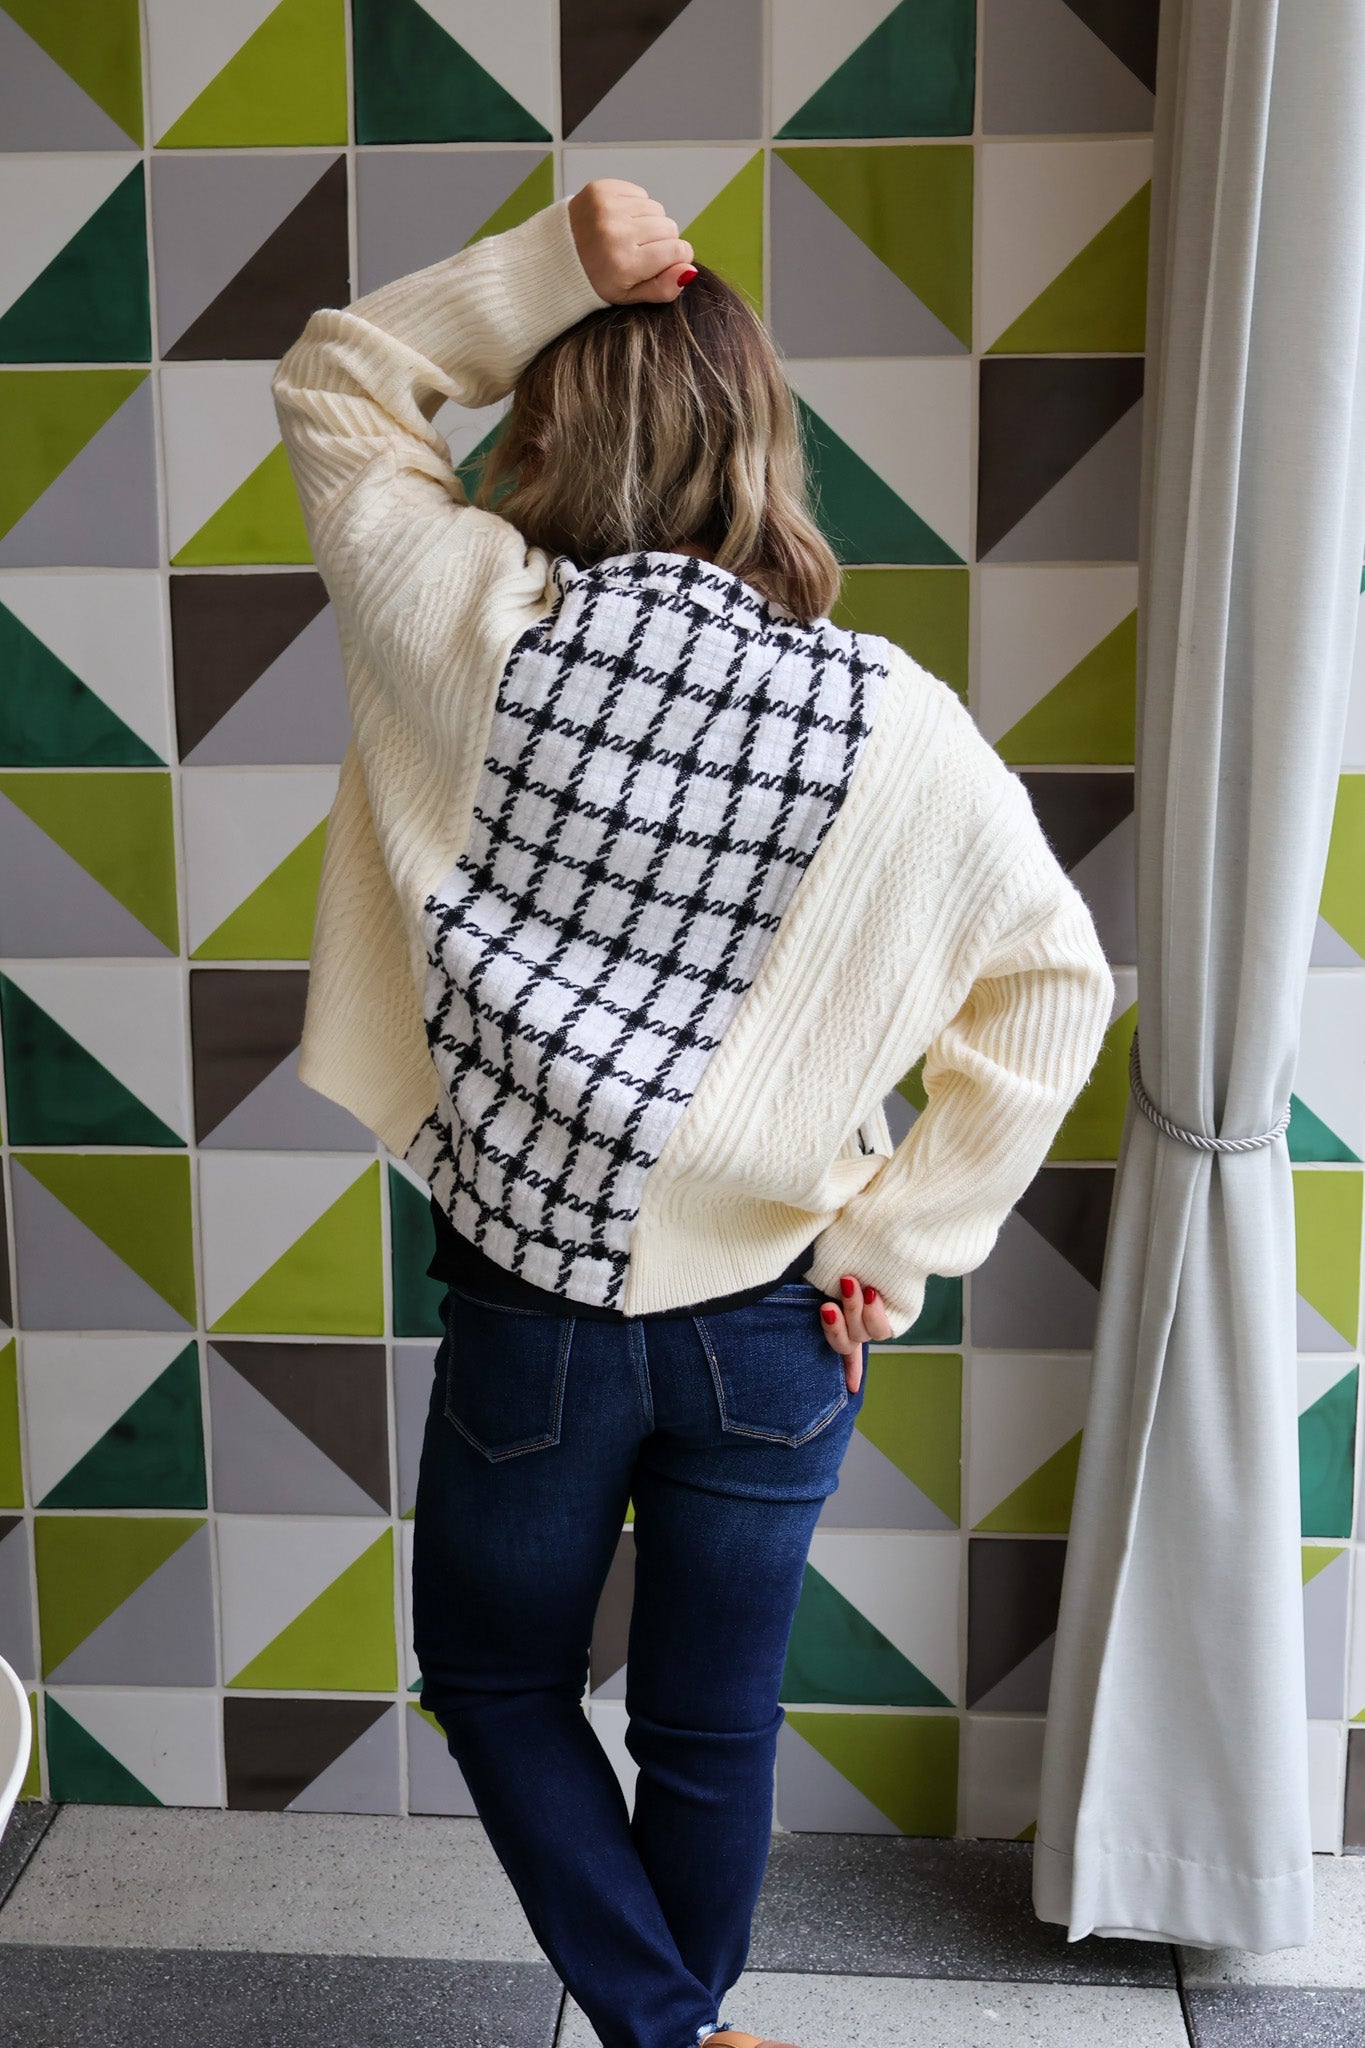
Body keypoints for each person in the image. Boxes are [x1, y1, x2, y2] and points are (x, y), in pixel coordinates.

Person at [272, 179, 1115, 2048]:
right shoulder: (893, 723)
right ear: (757, 443)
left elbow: (342, 381)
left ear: (554, 427)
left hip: (530, 1315)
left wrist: (558, 266)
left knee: (493, 1680)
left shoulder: (466, 619)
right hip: (775, 1321)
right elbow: (1055, 986)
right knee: (710, 1724)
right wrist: (893, 1246)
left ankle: (670, 2033)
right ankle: (692, 2027)